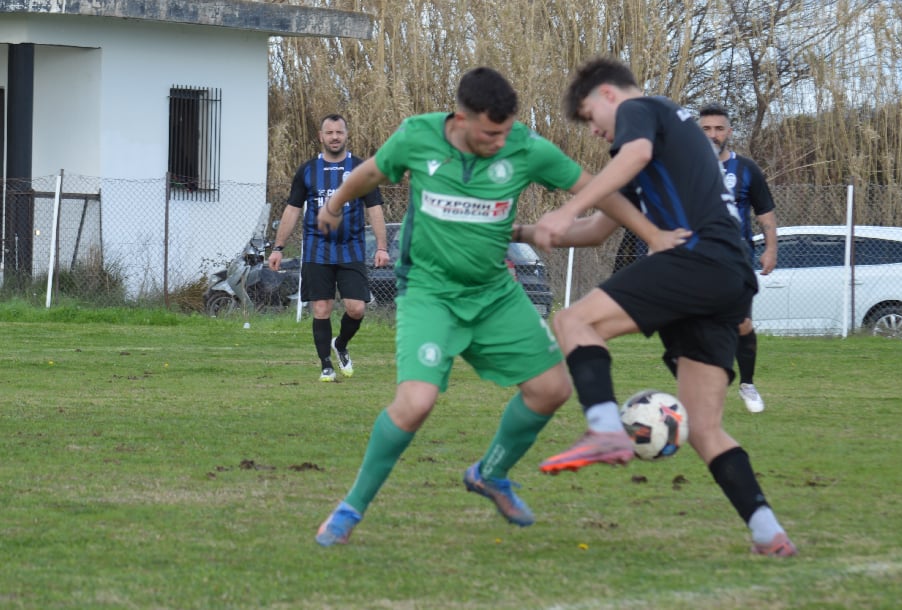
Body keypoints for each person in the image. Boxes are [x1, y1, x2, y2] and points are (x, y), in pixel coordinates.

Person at [311, 67, 679, 546]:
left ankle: (490, 473)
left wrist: (653, 236)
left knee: (551, 389)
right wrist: (335, 204)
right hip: (430, 292)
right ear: (461, 118)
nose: (500, 142)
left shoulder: (525, 147)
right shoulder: (418, 136)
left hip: (494, 292)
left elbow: (601, 191)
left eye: (505, 132)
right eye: (489, 134)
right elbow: (370, 173)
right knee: (416, 403)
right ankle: (351, 507)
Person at [528, 57, 797, 557]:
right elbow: (597, 230)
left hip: (697, 257)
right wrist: (521, 232)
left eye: (590, 118)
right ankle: (769, 533)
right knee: (705, 428)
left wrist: (567, 206)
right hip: (728, 277)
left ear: (608, 95)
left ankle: (604, 430)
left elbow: (630, 156)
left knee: (571, 320)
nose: (594, 131)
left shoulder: (642, 111)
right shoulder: (660, 146)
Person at [269, 114, 388, 382]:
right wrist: (278, 247)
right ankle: (326, 366)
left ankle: (340, 344)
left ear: (346, 135)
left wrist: (381, 247)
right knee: (321, 309)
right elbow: (292, 209)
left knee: (356, 309)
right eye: (330, 132)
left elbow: (374, 208)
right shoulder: (308, 170)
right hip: (317, 250)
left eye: (339, 132)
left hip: (351, 249)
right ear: (321, 136)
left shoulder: (362, 168)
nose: (335, 137)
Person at [698, 103, 778, 413]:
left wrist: (771, 249)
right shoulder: (686, 168)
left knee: (742, 323)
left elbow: (765, 212)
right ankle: (704, 388)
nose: (713, 135)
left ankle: (747, 384)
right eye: (706, 129)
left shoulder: (747, 169)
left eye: (719, 129)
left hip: (737, 260)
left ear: (729, 132)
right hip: (697, 258)